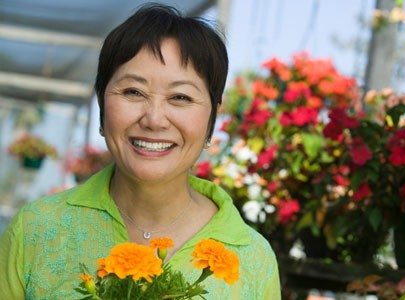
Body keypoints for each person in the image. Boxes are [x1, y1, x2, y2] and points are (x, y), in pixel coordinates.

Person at [0, 3, 281, 299]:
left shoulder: (253, 260)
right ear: (102, 103)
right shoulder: (35, 230)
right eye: (133, 92)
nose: (154, 119)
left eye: (180, 97)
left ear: (213, 117)